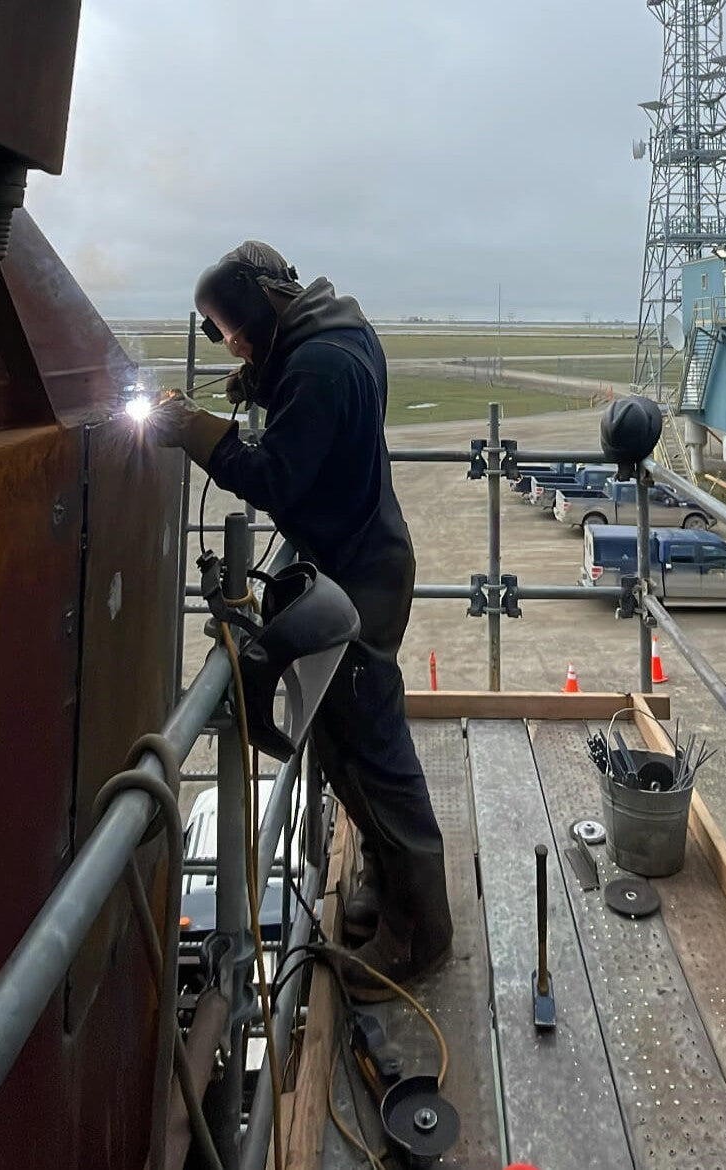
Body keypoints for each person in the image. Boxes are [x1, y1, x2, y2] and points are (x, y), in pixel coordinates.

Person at [150, 241, 453, 1000]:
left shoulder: (318, 367)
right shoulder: (336, 330)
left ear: (261, 306)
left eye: (238, 332)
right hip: (360, 560)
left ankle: (419, 937)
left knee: (375, 757)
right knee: (346, 750)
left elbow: (277, 476)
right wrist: (253, 382)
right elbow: (304, 414)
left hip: (356, 580)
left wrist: (195, 430)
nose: (238, 345)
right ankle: (389, 889)